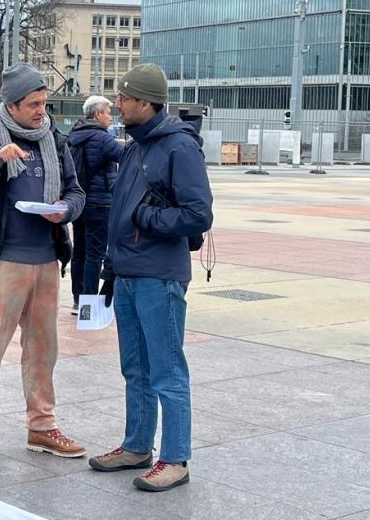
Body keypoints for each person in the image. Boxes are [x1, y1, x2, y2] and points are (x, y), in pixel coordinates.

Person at [0, 63, 86, 470]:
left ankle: (42, 426)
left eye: (44, 103)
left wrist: (64, 211)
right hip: (1, 260)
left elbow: (76, 192)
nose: (41, 111)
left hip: (45, 260)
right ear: (11, 106)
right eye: (33, 104)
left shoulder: (55, 139)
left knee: (44, 350)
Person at [88, 63, 213, 492]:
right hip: (127, 272)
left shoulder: (179, 147)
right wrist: (111, 266)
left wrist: (147, 216)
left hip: (159, 276)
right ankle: (137, 445)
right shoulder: (135, 146)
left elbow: (199, 214)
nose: (117, 104)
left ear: (145, 102)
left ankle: (175, 458)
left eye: (123, 99)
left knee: (166, 369)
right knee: (135, 368)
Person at [67, 95, 124, 314]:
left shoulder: (74, 135)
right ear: (98, 114)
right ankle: (89, 305)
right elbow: (125, 156)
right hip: (99, 205)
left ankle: (77, 299)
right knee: (95, 254)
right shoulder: (102, 139)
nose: (110, 117)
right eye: (108, 113)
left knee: (79, 252)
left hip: (78, 202)